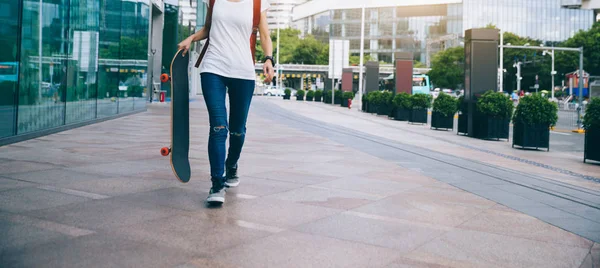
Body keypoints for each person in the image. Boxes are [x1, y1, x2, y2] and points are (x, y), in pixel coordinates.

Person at [178, 0, 274, 205]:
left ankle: (231, 164)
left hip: (243, 71)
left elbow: (265, 35)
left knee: (238, 130)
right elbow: (207, 29)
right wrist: (192, 38)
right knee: (218, 126)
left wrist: (268, 59)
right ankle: (217, 183)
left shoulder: (257, 2)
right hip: (213, 68)